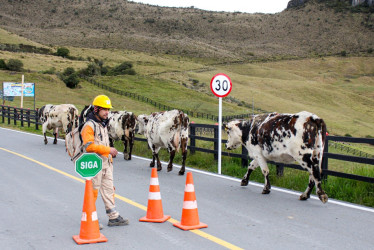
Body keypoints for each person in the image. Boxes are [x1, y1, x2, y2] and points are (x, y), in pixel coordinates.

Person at [81, 94, 129, 227]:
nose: (107, 112)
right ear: (96, 109)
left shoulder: (102, 124)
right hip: (94, 165)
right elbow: (89, 146)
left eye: (108, 109)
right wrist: (108, 150)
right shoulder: (89, 126)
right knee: (93, 192)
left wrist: (108, 154)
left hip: (106, 164)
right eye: (104, 109)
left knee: (109, 190)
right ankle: (90, 219)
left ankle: (113, 217)